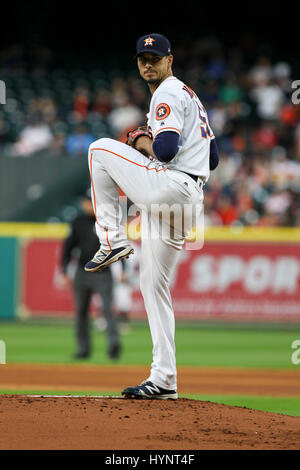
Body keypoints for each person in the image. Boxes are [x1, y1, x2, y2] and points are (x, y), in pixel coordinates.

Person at [85, 33, 218, 399]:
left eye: (155, 57)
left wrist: (143, 142)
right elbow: (215, 158)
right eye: (143, 58)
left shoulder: (167, 92)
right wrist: (151, 144)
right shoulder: (191, 97)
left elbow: (166, 148)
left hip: (171, 188)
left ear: (169, 60)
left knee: (98, 149)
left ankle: (111, 240)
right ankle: (164, 379)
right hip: (187, 202)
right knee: (152, 286)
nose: (148, 63)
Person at [60, 189, 121, 360]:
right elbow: (68, 247)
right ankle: (83, 349)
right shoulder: (77, 222)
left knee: (108, 309)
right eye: (86, 201)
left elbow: (118, 245)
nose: (87, 204)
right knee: (80, 312)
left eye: (90, 201)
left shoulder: (106, 221)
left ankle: (113, 346)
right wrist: (64, 270)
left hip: (103, 272)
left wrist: (122, 269)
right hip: (82, 271)